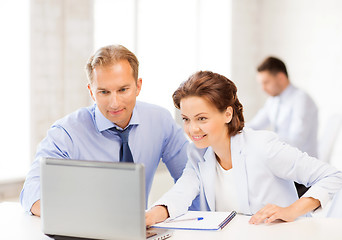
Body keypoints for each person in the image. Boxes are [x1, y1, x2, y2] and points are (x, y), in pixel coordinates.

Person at [145, 71, 342, 226]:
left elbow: (332, 176)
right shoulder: (197, 153)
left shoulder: (262, 147)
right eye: (186, 119)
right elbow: (181, 193)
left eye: (202, 118)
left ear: (227, 114)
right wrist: (149, 217)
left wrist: (291, 210)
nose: (192, 129)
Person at [20, 44, 190, 216]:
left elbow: (191, 177)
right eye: (104, 92)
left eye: (123, 90)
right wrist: (79, 220)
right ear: (92, 92)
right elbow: (32, 191)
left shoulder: (160, 121)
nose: (114, 103)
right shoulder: (67, 132)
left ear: (138, 86)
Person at [248, 56, 319, 197]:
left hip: (301, 172)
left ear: (280, 77)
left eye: (266, 82)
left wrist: (263, 142)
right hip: (284, 165)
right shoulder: (273, 101)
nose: (263, 88)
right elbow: (255, 124)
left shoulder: (301, 99)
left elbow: (296, 140)